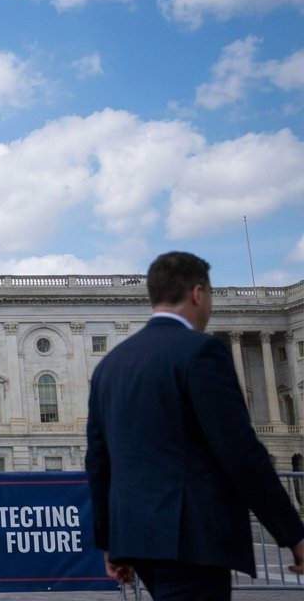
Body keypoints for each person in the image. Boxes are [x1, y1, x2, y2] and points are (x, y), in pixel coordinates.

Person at [86, 251, 304, 600]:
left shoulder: (110, 365)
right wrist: (293, 534)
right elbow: (239, 451)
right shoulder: (201, 351)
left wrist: (110, 542)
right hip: (191, 537)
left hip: (137, 539)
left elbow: (98, 464)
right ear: (198, 293)